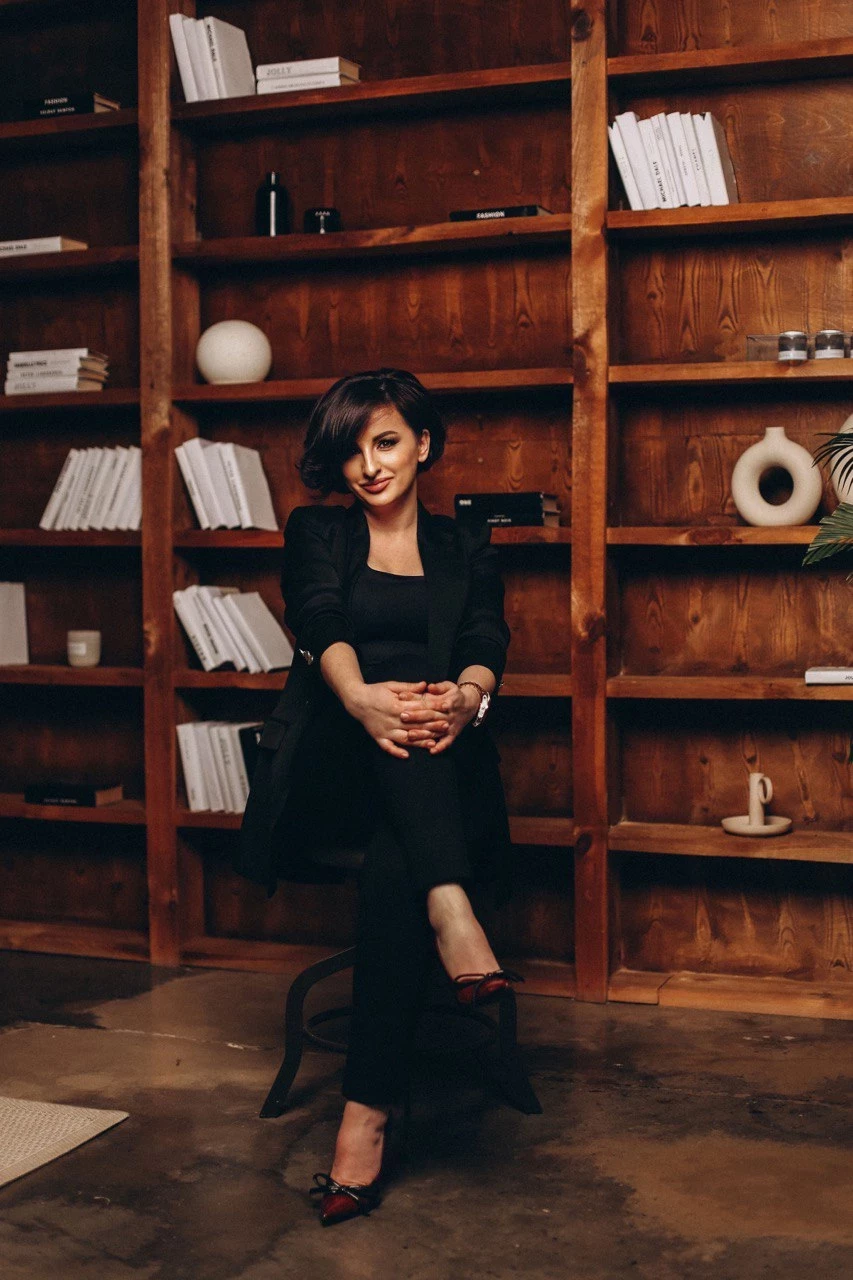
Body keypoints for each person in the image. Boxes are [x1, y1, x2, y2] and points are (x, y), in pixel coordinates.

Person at [236, 368, 519, 1227]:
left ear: (422, 445)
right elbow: (318, 617)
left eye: (387, 441)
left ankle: (363, 1122)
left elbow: (485, 633)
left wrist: (466, 696)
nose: (370, 465)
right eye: (353, 450)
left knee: (401, 860)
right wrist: (362, 699)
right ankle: (453, 911)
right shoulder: (317, 531)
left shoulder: (464, 542)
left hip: (439, 761)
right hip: (337, 766)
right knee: (396, 725)